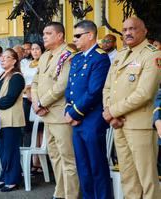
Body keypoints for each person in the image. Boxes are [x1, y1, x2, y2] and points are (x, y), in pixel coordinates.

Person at [103, 17, 161, 199]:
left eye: (133, 29)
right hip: (118, 124)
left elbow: (144, 93)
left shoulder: (152, 54)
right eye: (125, 29)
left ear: (144, 31)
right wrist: (110, 112)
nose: (127, 32)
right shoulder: (120, 55)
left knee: (147, 178)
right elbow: (107, 88)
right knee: (128, 177)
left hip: (139, 126)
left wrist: (113, 111)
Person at [31, 22, 79, 199]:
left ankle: (71, 195)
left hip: (60, 114)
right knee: (54, 156)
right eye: (43, 33)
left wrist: (42, 103)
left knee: (67, 158)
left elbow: (62, 85)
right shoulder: (45, 56)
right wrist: (37, 103)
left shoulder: (68, 54)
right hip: (46, 115)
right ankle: (60, 192)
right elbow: (35, 82)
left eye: (48, 33)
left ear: (60, 36)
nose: (44, 36)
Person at [65, 20, 112, 199]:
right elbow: (70, 88)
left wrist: (75, 113)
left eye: (78, 36)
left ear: (90, 35)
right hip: (76, 120)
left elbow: (94, 91)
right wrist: (68, 110)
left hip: (92, 120)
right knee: (82, 166)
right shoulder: (77, 58)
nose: (74, 39)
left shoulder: (100, 57)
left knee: (96, 165)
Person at [0, 48, 25, 192]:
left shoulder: (17, 77)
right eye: (2, 57)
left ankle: (13, 180)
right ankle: (4, 177)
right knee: (2, 150)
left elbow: (10, 98)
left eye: (6, 57)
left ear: (14, 61)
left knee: (10, 151)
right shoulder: (2, 75)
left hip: (11, 119)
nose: (2, 59)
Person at [29, 41, 45, 174]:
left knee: (41, 129)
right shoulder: (26, 64)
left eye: (37, 49)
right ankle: (34, 161)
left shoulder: (44, 62)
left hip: (39, 98)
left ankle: (42, 161)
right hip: (26, 98)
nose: (34, 51)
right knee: (32, 130)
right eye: (33, 49)